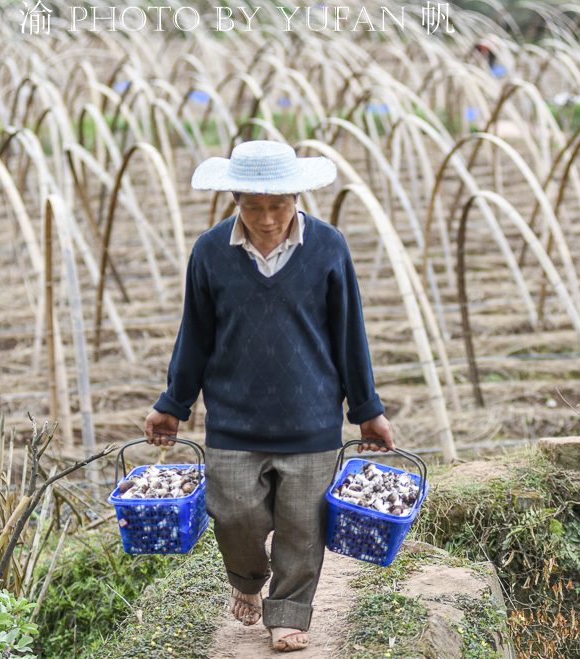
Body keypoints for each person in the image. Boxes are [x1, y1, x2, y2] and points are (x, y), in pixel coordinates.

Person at [143, 140, 394, 652]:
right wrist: (173, 403)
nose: (267, 219)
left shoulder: (328, 247)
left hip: (312, 420)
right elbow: (195, 335)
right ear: (234, 200)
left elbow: (350, 335)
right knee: (235, 513)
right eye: (253, 207)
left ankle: (289, 612)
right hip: (235, 419)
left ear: (296, 198)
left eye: (278, 206)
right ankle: (247, 579)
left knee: (303, 525)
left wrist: (367, 411)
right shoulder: (211, 252)